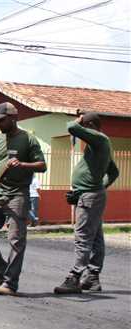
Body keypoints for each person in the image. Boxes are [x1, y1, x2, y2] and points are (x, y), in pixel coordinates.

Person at [0, 102, 46, 296]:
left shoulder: (28, 140)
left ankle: (10, 283)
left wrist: (22, 164)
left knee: (15, 239)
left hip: (18, 195)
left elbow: (42, 165)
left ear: (13, 118)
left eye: (1, 120)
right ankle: (2, 272)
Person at [54, 112, 119, 294]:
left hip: (90, 197)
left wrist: (79, 119)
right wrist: (98, 187)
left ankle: (74, 277)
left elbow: (71, 127)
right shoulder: (102, 143)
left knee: (82, 237)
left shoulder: (98, 138)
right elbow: (114, 172)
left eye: (85, 126)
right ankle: (92, 277)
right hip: (92, 194)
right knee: (96, 238)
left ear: (89, 126)